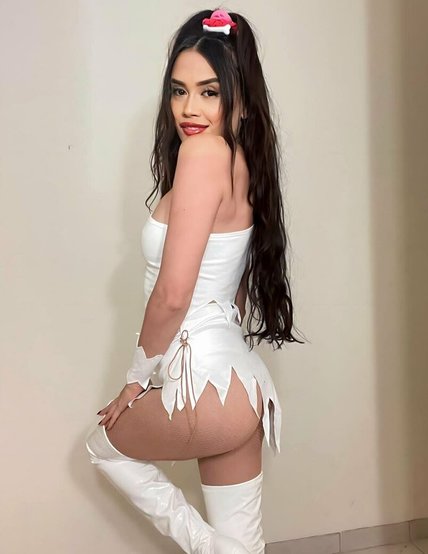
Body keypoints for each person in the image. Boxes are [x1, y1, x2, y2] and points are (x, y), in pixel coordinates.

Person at [85, 8, 306, 554]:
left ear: (242, 99)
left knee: (102, 446)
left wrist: (136, 380)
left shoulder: (203, 154)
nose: (189, 108)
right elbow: (232, 290)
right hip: (244, 390)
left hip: (203, 388)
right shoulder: (244, 163)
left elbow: (173, 293)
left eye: (209, 92)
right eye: (178, 91)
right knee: (244, 546)